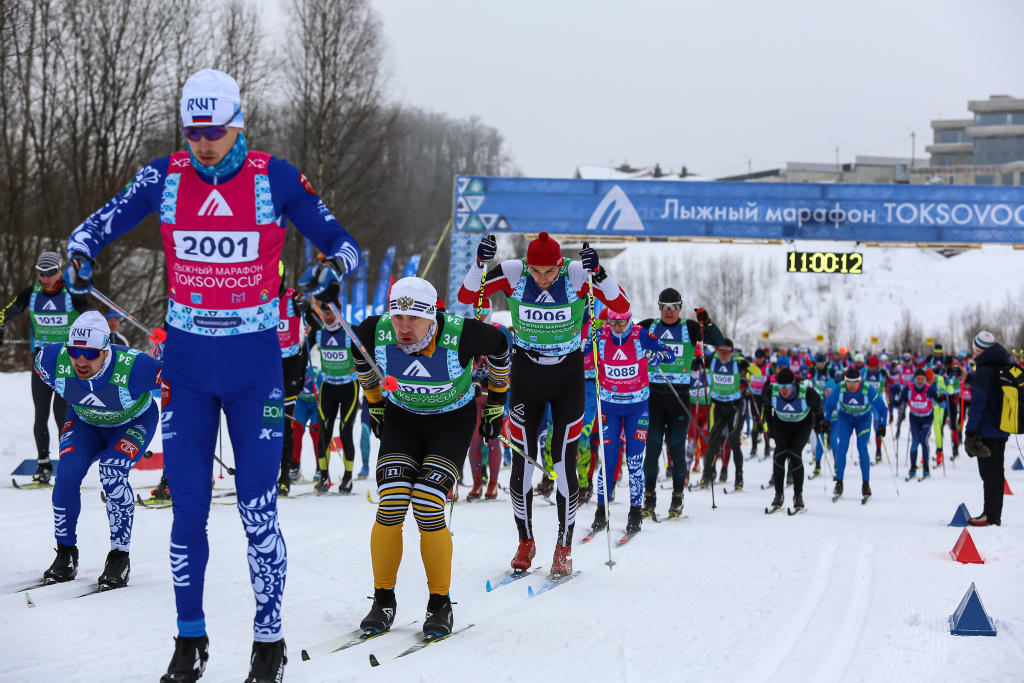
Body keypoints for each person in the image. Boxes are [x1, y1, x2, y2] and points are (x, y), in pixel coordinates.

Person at [62, 69, 360, 682]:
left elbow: (341, 241)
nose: (203, 143)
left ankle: (268, 641)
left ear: (237, 125)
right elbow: (98, 223)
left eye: (215, 131)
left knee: (256, 509)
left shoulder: (273, 177)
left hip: (255, 370)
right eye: (193, 131)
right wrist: (80, 253)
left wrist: (332, 269)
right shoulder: (163, 175)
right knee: (187, 512)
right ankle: (188, 640)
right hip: (189, 372)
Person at [457, 232, 629, 578]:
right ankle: (526, 540)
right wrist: (479, 263)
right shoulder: (513, 271)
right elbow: (466, 295)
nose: (542, 278)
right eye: (536, 271)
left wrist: (601, 274)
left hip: (568, 375)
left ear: (559, 264)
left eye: (549, 272)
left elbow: (622, 307)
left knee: (563, 459)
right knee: (522, 461)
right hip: (526, 374)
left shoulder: (577, 274)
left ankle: (563, 547)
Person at [354, 277, 509, 638]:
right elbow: (359, 355)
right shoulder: (373, 330)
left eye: (413, 319)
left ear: (432, 316)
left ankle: (439, 604)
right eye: (397, 318)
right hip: (403, 421)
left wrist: (497, 401)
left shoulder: (463, 335)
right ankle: (383, 599)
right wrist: (375, 404)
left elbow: (502, 346)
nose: (403, 329)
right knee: (391, 502)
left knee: (426, 503)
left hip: (450, 423)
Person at [32, 311, 161, 588]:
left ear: (106, 350)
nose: (80, 360)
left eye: (90, 353)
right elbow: (39, 367)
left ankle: (119, 556)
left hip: (132, 422)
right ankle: (66, 554)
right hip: (84, 422)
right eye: (75, 350)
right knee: (66, 476)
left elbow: (180, 382)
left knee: (112, 471)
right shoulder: (52, 360)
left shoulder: (137, 367)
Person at [0, 251, 90, 483]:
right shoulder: (31, 294)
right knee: (40, 414)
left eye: (50, 273)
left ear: (60, 271)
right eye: (42, 273)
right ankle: (43, 466)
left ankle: (69, 464)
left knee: (61, 414)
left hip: (67, 362)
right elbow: (6, 312)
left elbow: (91, 318)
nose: (46, 278)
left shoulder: (73, 293)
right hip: (42, 361)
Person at [635, 287, 722, 519]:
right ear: (659, 308)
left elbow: (718, 341)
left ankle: (677, 499)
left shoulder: (691, 328)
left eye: (673, 307)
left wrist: (708, 324)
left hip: (679, 396)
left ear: (680, 308)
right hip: (652, 396)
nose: (669, 312)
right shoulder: (647, 326)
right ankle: (649, 498)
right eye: (664, 307)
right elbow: (622, 334)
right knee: (652, 449)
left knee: (676, 447)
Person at [588, 307, 674, 532]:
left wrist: (660, 355)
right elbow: (579, 349)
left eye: (622, 323)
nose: (617, 328)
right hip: (609, 406)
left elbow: (669, 352)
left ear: (630, 320)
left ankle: (635, 511)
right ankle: (600, 510)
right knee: (608, 460)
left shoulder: (640, 334)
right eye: (613, 323)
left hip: (637, 408)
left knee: (635, 461)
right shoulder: (601, 334)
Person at [308, 301, 359, 494]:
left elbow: (368, 352)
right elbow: (303, 354)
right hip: (328, 387)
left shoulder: (350, 330)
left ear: (339, 312)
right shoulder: (317, 333)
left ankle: (347, 477)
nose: (328, 316)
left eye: (331, 313)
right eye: (324, 313)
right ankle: (323, 476)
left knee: (345, 431)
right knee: (324, 432)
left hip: (349, 388)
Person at [963, 331, 1011, 526]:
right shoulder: (1000, 363)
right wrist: (970, 379)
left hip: (987, 431)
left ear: (978, 349)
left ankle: (989, 517)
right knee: (998, 474)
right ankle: (994, 515)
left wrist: (970, 431)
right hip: (1001, 427)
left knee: (989, 475)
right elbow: (991, 390)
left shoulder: (984, 369)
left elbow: (979, 402)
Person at [468, 297, 511, 500]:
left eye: (484, 307)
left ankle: (492, 484)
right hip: (476, 393)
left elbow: (510, 361)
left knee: (493, 439)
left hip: (496, 393)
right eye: (477, 307)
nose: (480, 311)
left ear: (491, 308)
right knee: (475, 440)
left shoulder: (500, 330)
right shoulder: (469, 329)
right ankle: (477, 483)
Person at [765, 366, 824, 512]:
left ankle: (798, 496)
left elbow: (818, 407)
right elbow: (767, 408)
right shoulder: (771, 392)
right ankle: (778, 495)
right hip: (782, 423)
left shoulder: (807, 393)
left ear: (793, 384)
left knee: (795, 453)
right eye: (781, 386)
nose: (783, 390)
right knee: (779, 454)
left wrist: (820, 424)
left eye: (787, 386)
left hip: (802, 425)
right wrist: (770, 427)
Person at [823, 368, 888, 500]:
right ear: (845, 381)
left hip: (863, 419)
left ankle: (866, 484)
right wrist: (826, 422)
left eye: (855, 382)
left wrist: (882, 425)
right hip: (845, 418)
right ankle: (839, 482)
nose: (852, 385)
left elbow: (882, 408)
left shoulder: (867, 389)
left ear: (860, 381)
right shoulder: (840, 388)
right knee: (842, 447)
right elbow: (829, 405)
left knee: (862, 447)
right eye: (849, 382)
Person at [277, 265, 311, 496]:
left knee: (285, 424)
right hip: (264, 366)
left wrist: (304, 306)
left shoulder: (292, 296)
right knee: (261, 424)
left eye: (275, 276)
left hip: (289, 366)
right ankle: (260, 474)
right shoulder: (255, 299)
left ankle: (284, 476)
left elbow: (313, 320)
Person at [700, 339, 746, 490]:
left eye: (726, 353)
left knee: (733, 440)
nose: (723, 356)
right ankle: (706, 476)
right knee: (712, 440)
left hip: (734, 406)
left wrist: (746, 364)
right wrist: (696, 362)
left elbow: (757, 372)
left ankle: (739, 477)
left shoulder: (737, 362)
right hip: (717, 405)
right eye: (721, 352)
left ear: (731, 352)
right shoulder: (711, 359)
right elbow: (696, 362)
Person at [906, 368, 944, 479]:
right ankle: (913, 466)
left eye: (923, 379)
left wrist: (941, 401)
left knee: (923, 440)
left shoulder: (930, 388)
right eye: (918, 379)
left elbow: (942, 402)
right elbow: (901, 400)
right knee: (915, 441)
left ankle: (926, 466)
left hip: (928, 417)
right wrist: (898, 404)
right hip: (914, 418)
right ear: (914, 379)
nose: (920, 381)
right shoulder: (910, 388)